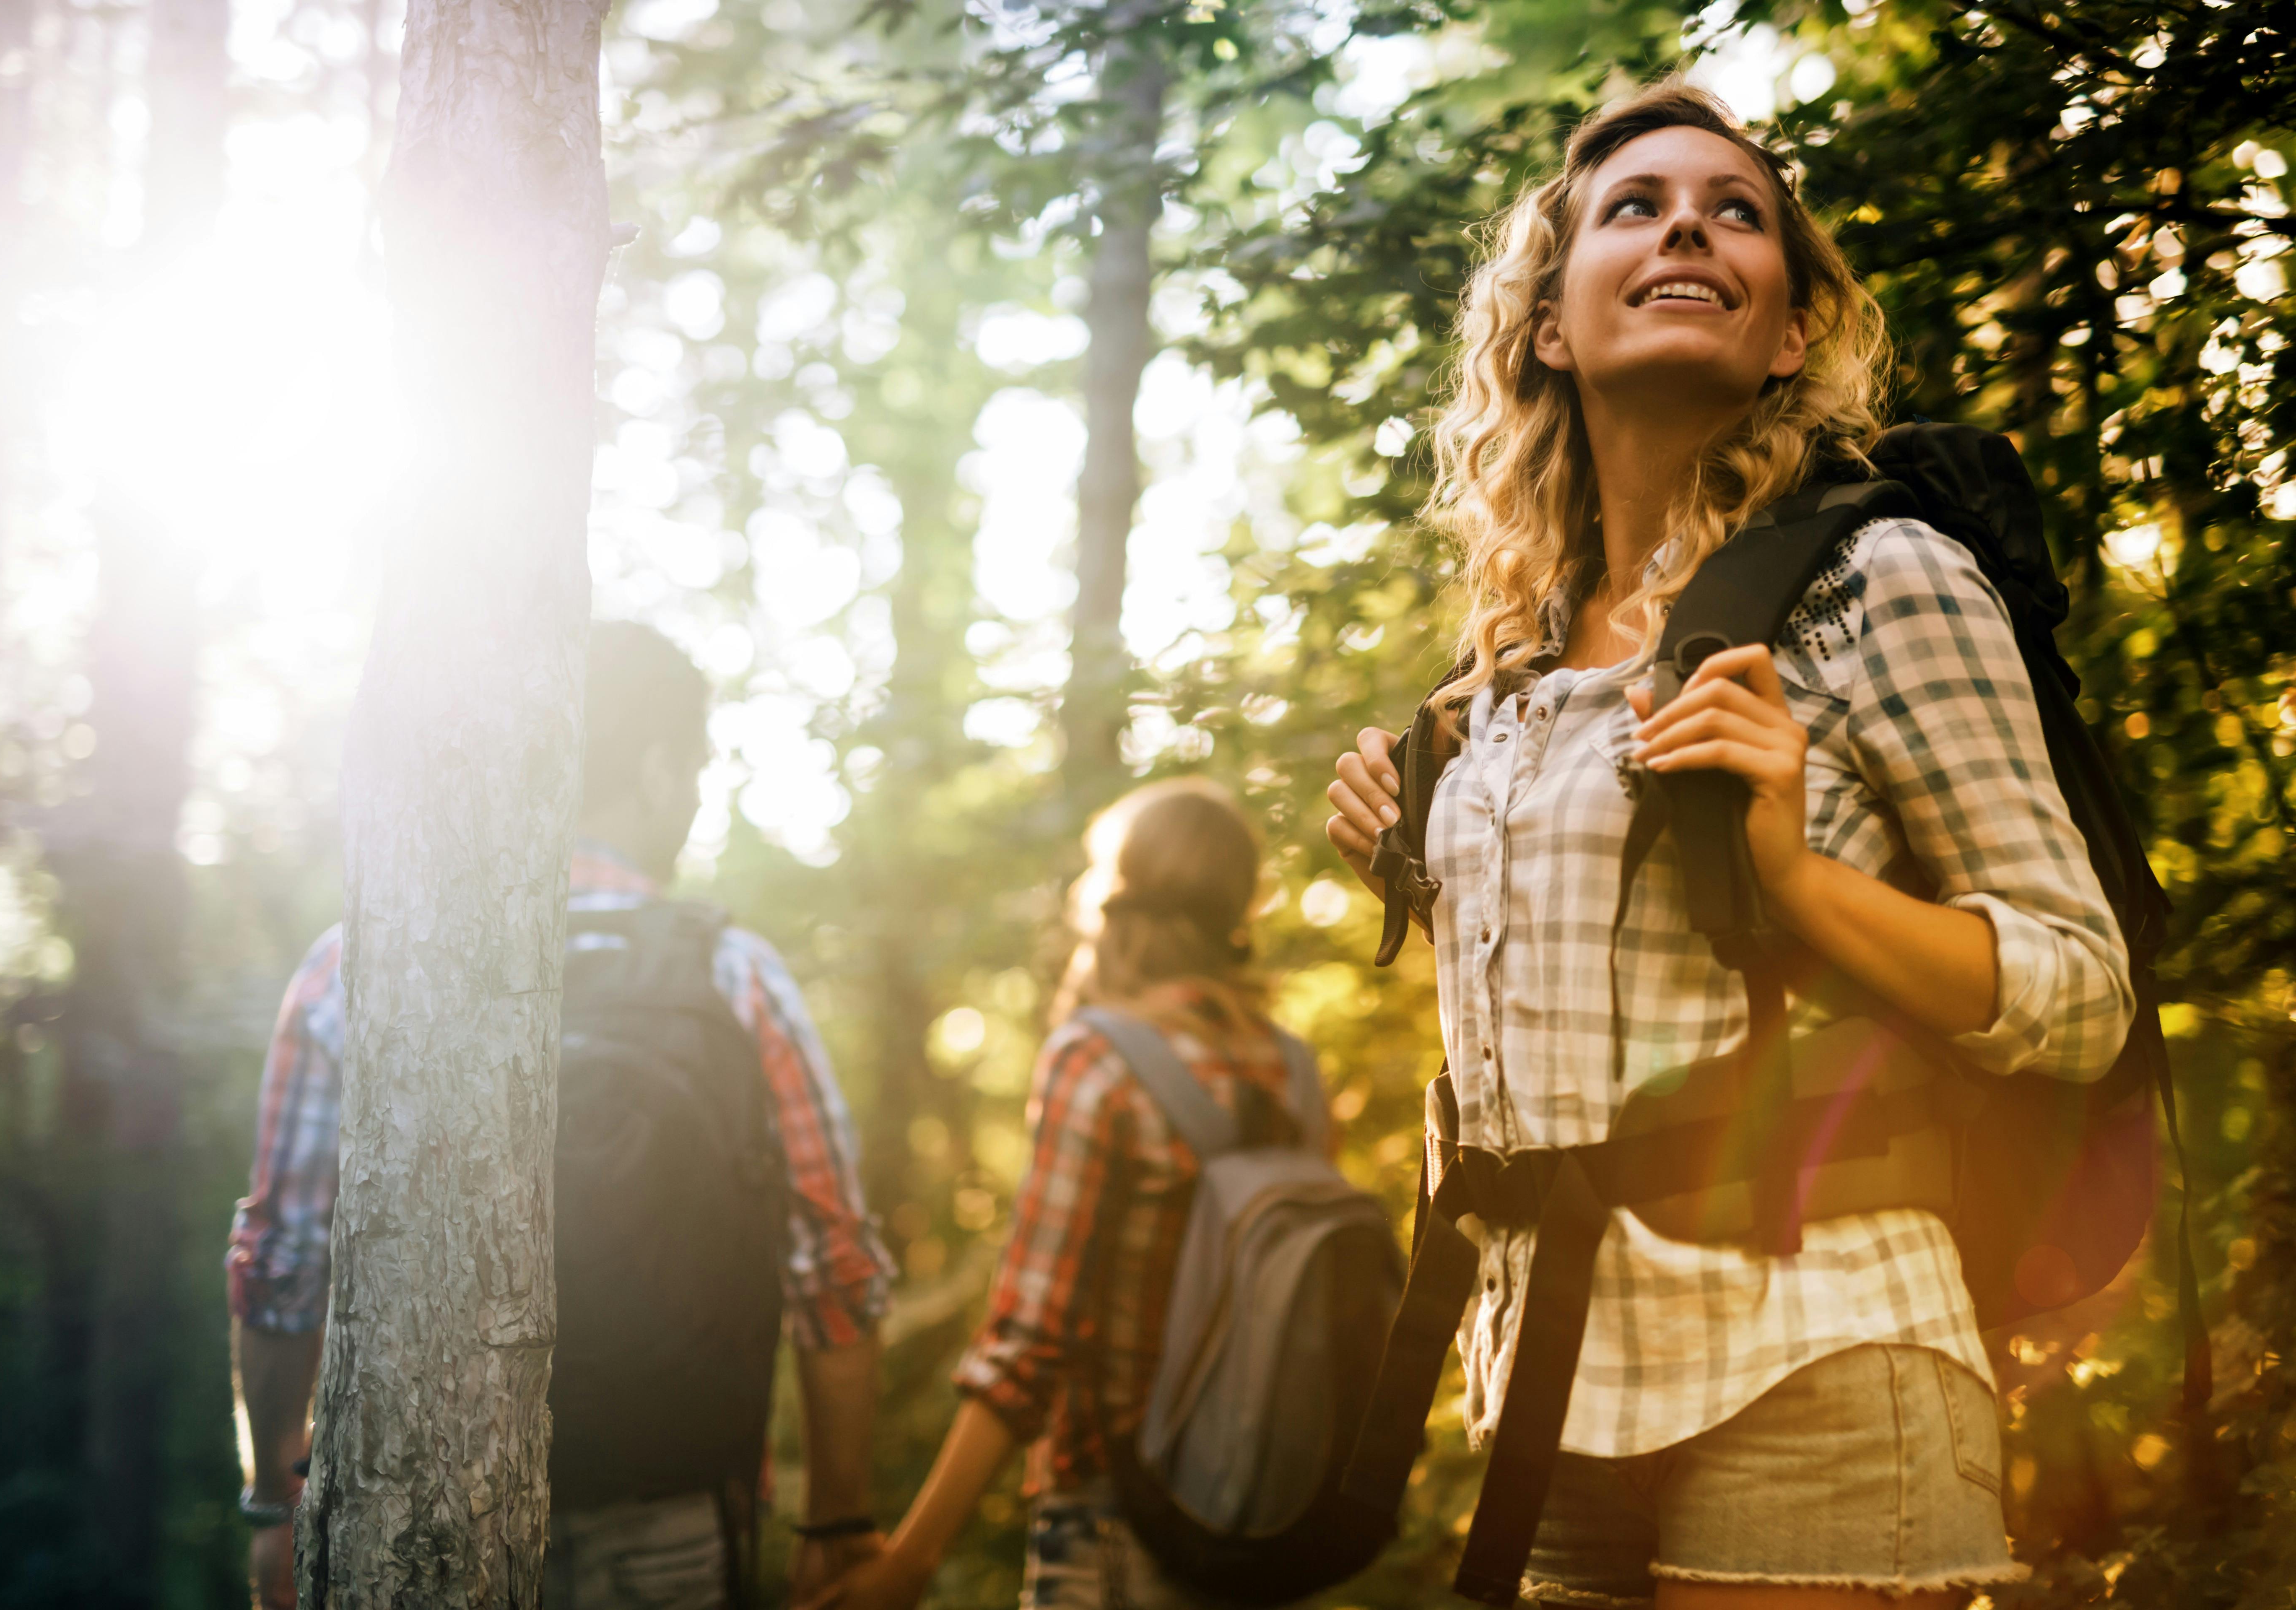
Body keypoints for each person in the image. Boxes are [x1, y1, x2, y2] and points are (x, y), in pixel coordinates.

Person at [1322, 85, 2131, 1610]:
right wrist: (1411, 862)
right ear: (1550, 326)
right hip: (1553, 1389)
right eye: (1635, 207)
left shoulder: (1883, 580)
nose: (1688, 221)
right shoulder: (1503, 674)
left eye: (1736, 212)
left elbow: (2082, 991)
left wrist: (1799, 872)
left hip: (1819, 1358)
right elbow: (1612, 1013)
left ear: (1785, 335)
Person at [226, 621, 896, 1610]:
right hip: (671, 1506)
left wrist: (278, 1505)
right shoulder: (735, 977)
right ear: (662, 767)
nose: (701, 795)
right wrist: (839, 1522)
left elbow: (283, 1263)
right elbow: (834, 1270)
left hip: (417, 1511)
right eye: (698, 767)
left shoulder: (358, 962)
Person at [817, 779, 1308, 1610]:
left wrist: (910, 1560)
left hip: (1123, 1523)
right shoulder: (1290, 1069)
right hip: (1263, 1516)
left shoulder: (1101, 1060)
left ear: (1115, 895)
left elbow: (1030, 1344)